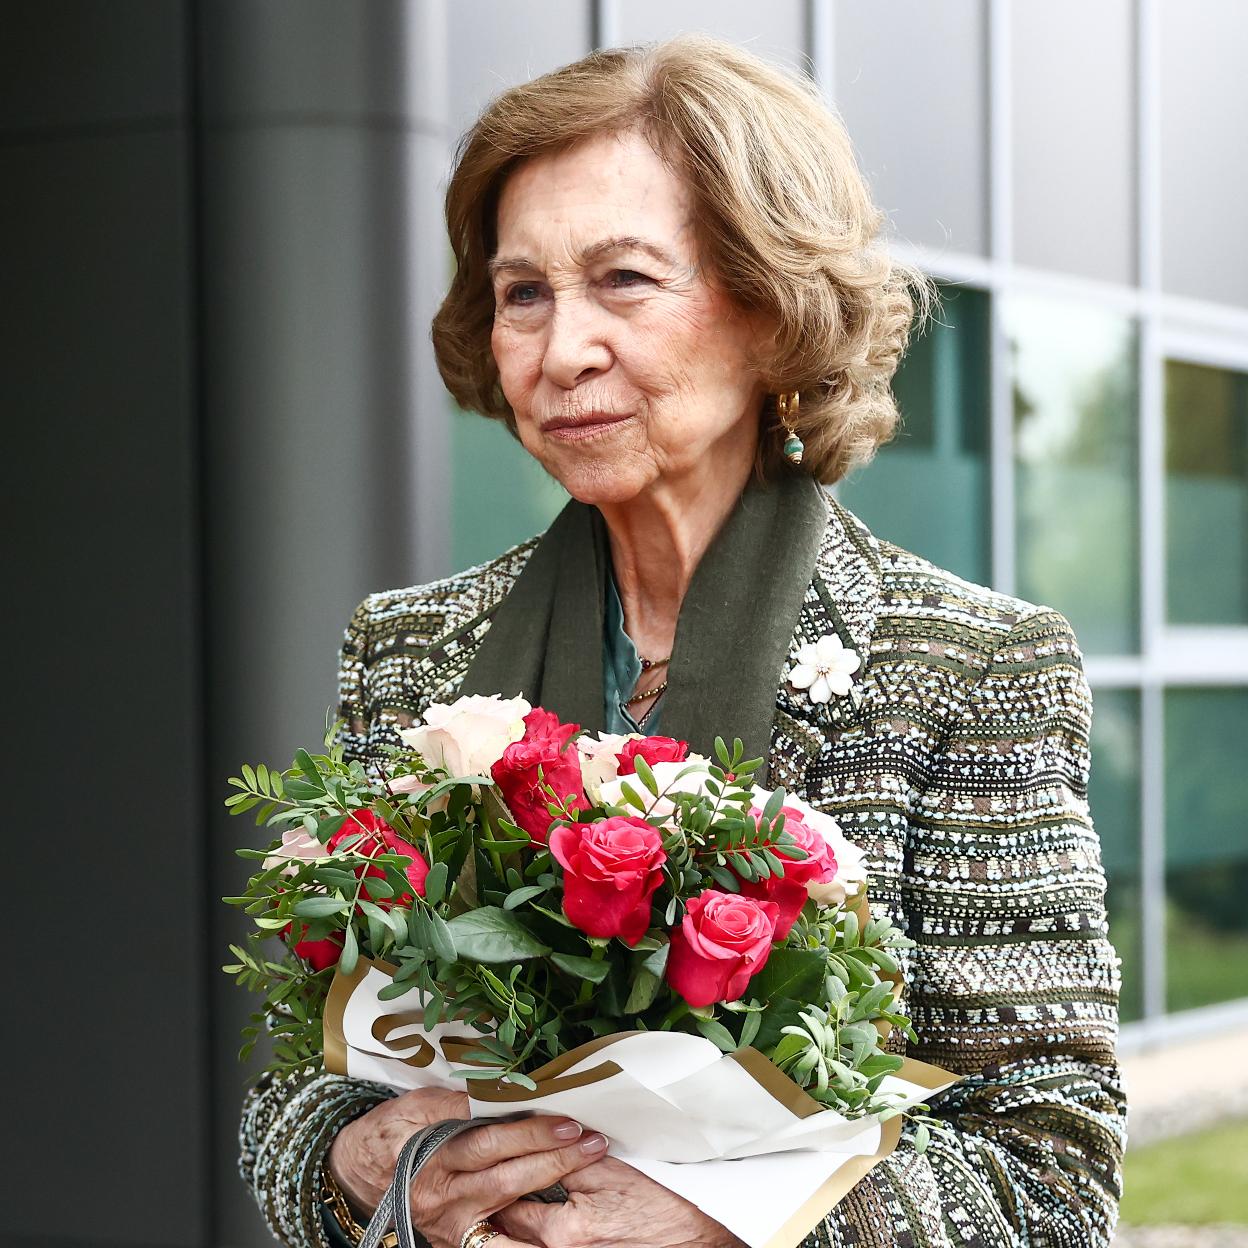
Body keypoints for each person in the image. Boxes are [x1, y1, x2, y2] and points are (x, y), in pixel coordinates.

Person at [239, 34, 1126, 1248]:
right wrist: (353, 1166)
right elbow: (296, 1082)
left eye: (625, 280)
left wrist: (737, 1224)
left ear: (770, 307)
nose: (560, 352)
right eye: (523, 293)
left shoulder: (969, 669)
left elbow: (1052, 1175)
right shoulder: (409, 651)